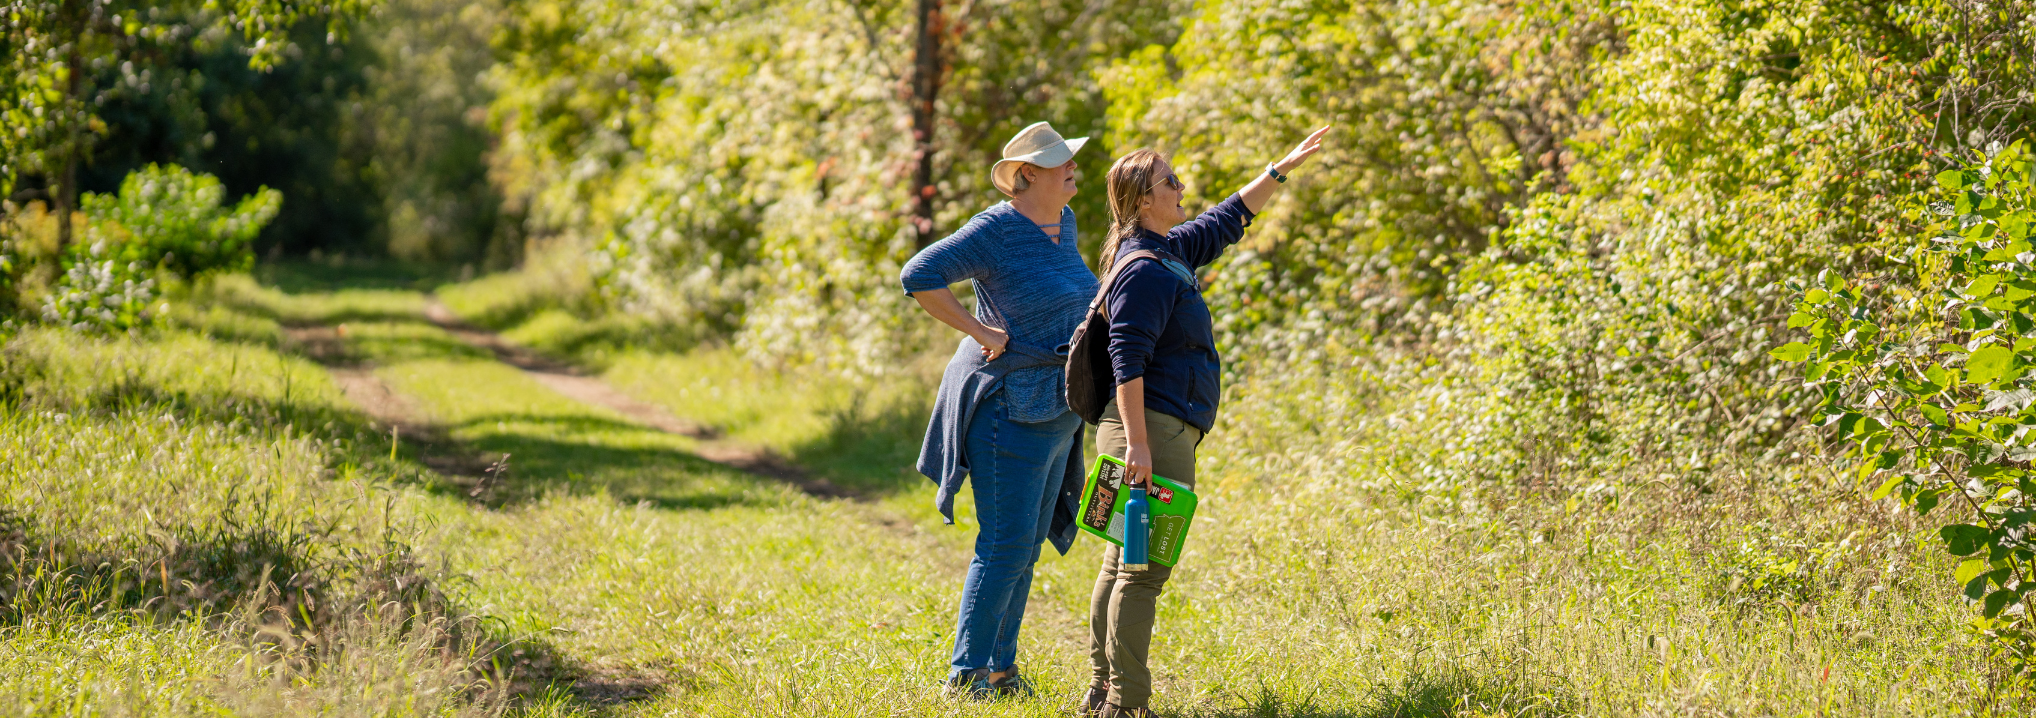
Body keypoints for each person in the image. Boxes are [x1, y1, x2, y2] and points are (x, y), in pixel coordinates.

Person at [1083, 127, 1331, 718]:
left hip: (1143, 430)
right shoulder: (1145, 268)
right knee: (1141, 571)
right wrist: (1141, 447)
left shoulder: (1163, 250)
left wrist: (1280, 170)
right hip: (1152, 434)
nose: (1182, 186)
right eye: (1171, 181)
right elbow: (1127, 359)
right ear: (1144, 200)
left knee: (1121, 561)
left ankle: (1102, 689)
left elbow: (1226, 219)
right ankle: (1127, 703)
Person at [899, 121, 1099, 698]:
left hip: (1059, 406)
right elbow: (919, 274)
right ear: (1027, 175)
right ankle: (965, 677)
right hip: (1009, 408)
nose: (1072, 169)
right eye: (1061, 162)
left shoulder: (1064, 222)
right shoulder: (995, 228)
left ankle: (1000, 669)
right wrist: (978, 328)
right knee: (1005, 544)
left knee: (1027, 543)